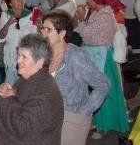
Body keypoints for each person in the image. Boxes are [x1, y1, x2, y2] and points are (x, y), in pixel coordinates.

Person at [40, 11, 108, 145]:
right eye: (42, 28)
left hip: (69, 119)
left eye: (48, 29)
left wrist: (82, 114)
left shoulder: (75, 57)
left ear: (62, 33)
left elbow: (102, 85)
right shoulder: (44, 54)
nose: (43, 33)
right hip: (46, 118)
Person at [76, 0, 130, 136]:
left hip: (101, 57)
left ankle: (104, 126)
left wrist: (81, 19)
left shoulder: (105, 16)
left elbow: (87, 34)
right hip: (93, 54)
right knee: (96, 91)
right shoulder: (97, 13)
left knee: (103, 92)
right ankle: (99, 122)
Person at [0, 33, 63, 145]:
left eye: (24, 57)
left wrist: (9, 98)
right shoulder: (28, 78)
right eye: (18, 55)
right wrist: (1, 92)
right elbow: (10, 103)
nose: (18, 61)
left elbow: (23, 128)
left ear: (40, 62)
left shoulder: (45, 92)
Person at [0, 0, 40, 85]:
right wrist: (8, 24)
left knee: (25, 87)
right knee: (10, 85)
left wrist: (39, 27)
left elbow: (36, 36)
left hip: (27, 56)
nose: (21, 1)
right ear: (10, 3)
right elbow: (1, 37)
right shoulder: (5, 15)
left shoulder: (31, 15)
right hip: (11, 56)